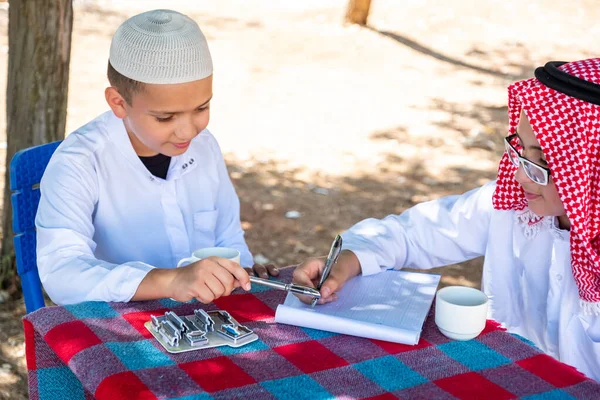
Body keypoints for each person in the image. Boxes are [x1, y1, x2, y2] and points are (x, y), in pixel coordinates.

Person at [292, 59, 600, 381]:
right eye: (520, 151)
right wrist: (347, 260)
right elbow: (414, 234)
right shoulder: (512, 205)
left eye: (544, 160)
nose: (520, 175)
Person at [35, 9, 278, 306]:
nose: (188, 130)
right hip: (122, 323)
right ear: (119, 103)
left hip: (205, 318)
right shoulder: (79, 162)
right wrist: (170, 281)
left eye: (201, 108)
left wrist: (240, 270)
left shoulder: (205, 146)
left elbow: (228, 236)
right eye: (165, 117)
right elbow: (62, 273)